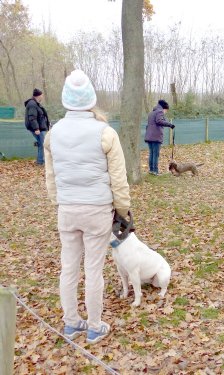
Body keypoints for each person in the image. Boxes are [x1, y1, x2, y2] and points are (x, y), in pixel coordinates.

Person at [44, 69, 131, 344]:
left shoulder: (53, 133)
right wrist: (123, 207)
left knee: (68, 267)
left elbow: (51, 176)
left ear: (66, 100)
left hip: (67, 209)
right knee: (94, 269)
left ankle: (71, 324)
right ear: (91, 99)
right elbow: (118, 177)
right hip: (97, 210)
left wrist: (58, 201)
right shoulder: (106, 132)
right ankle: (94, 326)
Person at [145, 99, 175, 175]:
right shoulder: (160, 111)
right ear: (164, 108)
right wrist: (170, 125)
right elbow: (159, 121)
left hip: (149, 136)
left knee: (152, 153)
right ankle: (155, 171)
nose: (165, 112)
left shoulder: (152, 112)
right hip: (156, 136)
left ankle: (151, 170)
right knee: (155, 154)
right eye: (166, 110)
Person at [24, 88, 50, 165]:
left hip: (40, 127)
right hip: (37, 128)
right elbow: (32, 117)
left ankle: (40, 161)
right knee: (43, 144)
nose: (42, 97)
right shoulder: (32, 104)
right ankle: (40, 161)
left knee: (40, 143)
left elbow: (41, 116)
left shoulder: (35, 104)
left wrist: (47, 124)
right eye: (42, 95)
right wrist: (36, 128)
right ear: (38, 95)